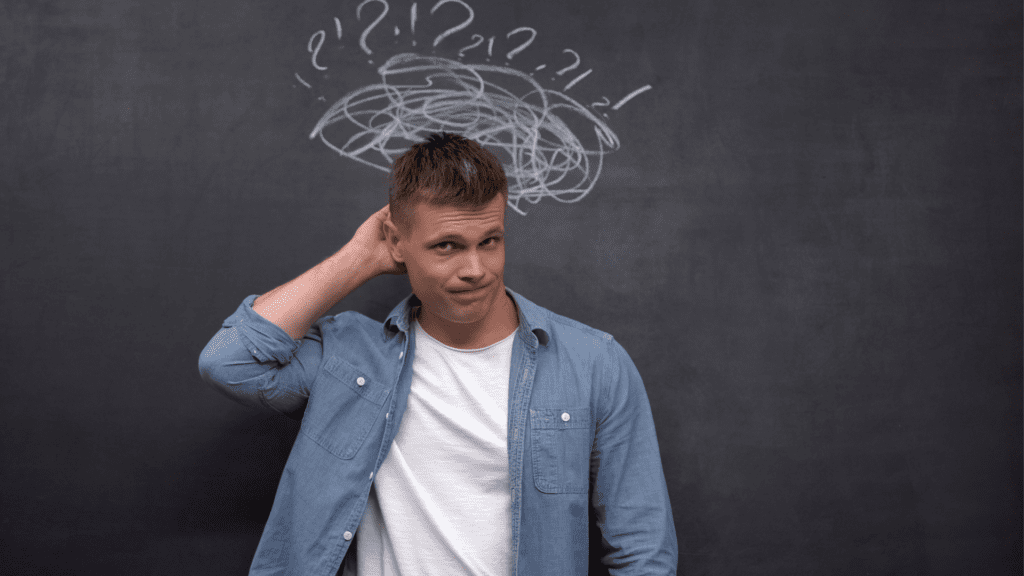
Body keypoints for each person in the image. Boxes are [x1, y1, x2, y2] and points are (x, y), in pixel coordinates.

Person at [198, 133, 677, 575]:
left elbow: (643, 549)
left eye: (490, 241)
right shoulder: (348, 358)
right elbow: (230, 362)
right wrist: (359, 259)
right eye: (447, 246)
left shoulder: (593, 363)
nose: (476, 269)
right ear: (397, 242)